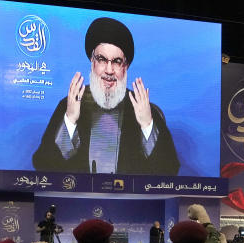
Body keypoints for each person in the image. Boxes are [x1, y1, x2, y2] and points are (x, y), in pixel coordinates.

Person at [32, 17, 179, 174]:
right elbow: (43, 165)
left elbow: (169, 170)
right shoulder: (70, 104)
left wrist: (147, 125)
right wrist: (69, 121)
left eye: (116, 61)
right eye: (102, 59)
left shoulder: (143, 108)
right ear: (92, 61)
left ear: (126, 66)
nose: (109, 70)